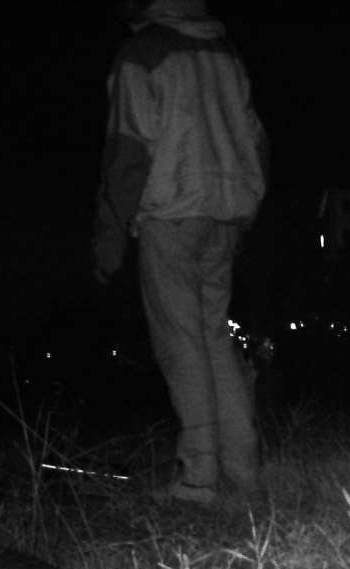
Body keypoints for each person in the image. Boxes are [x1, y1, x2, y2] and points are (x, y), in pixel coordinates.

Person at [93, 0, 269, 507]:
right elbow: (257, 141)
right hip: (225, 215)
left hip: (170, 214)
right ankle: (243, 473)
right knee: (214, 339)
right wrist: (245, 207)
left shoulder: (142, 50)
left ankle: (199, 480)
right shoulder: (224, 51)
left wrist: (110, 233)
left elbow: (128, 150)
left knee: (182, 344)